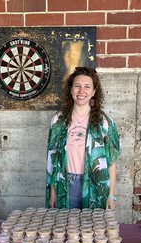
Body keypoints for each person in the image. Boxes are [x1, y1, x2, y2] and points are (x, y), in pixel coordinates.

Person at [45, 67, 121, 209]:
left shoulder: (104, 122)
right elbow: (52, 160)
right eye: (77, 86)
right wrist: (53, 192)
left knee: (93, 228)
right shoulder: (58, 121)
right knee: (67, 228)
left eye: (87, 87)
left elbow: (112, 162)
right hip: (65, 183)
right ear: (71, 89)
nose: (81, 91)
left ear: (93, 92)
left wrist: (111, 194)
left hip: (96, 184)